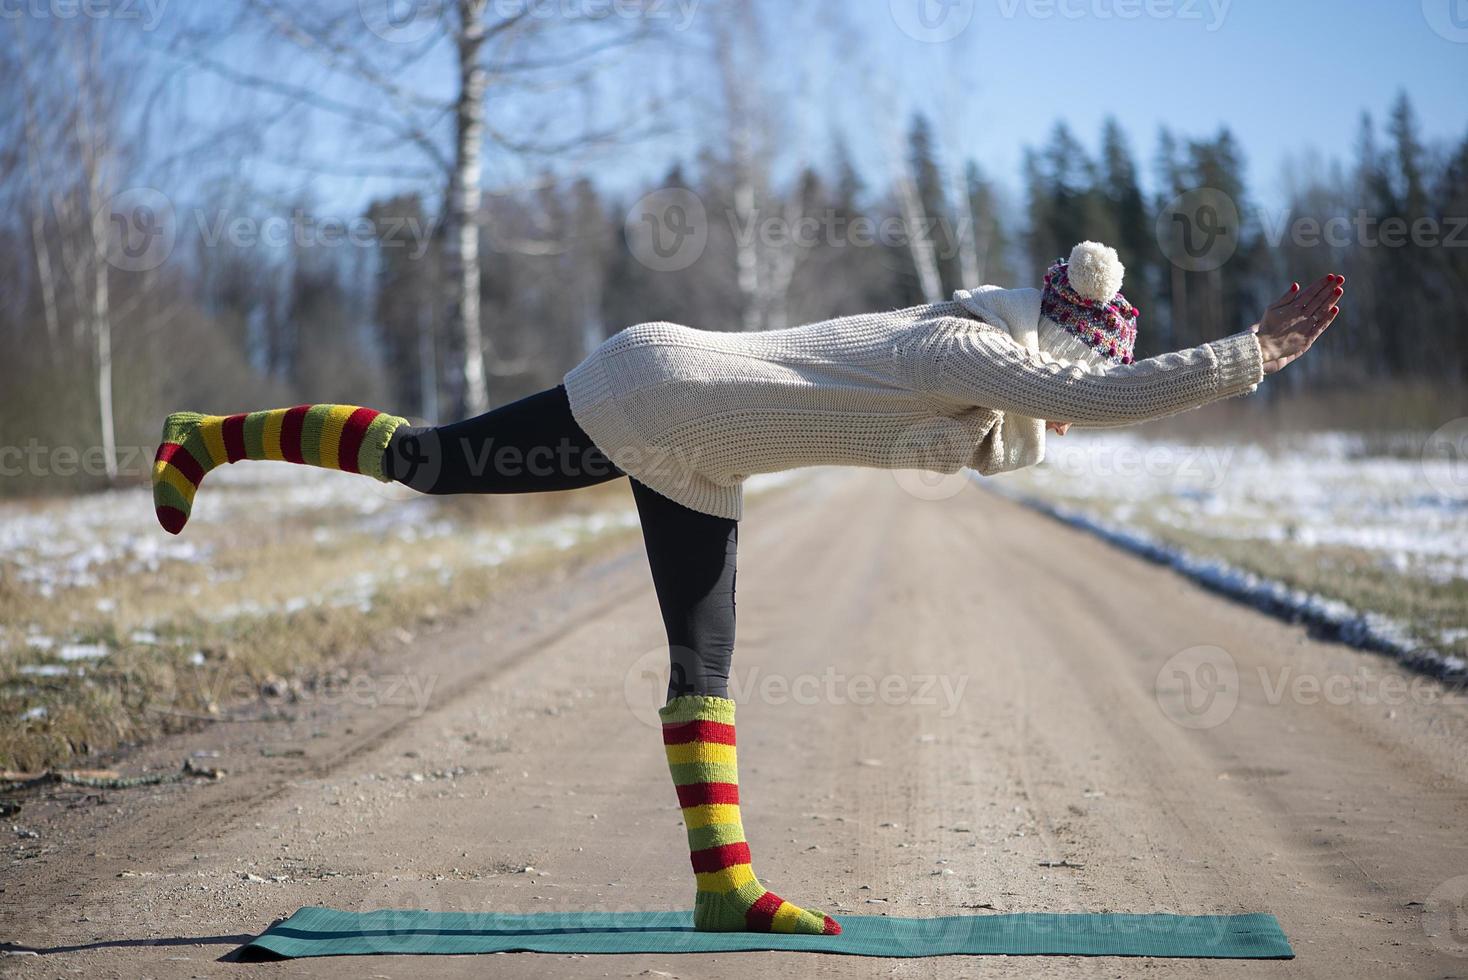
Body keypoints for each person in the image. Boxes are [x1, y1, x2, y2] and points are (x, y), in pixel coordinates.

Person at [151, 241, 1343, 936]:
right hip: (661, 392)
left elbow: (1004, 429)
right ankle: (208, 433)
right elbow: (1096, 402)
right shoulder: (959, 348)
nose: (1063, 406)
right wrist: (1253, 353)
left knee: (702, 664)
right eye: (1069, 379)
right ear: (1046, 348)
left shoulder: (975, 396)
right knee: (431, 463)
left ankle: (725, 888)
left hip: (708, 447)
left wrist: (1028, 425)